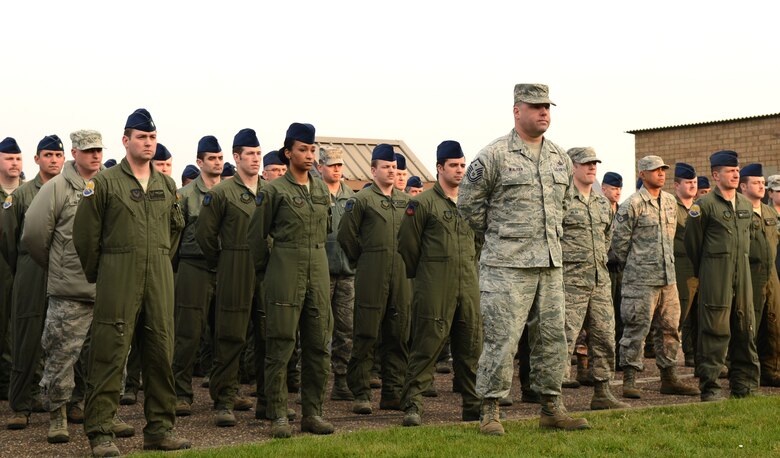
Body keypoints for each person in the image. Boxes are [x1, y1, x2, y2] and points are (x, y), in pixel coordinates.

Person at [458, 83, 589, 435]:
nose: (543, 112)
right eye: (535, 107)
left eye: (547, 106)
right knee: (502, 339)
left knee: (552, 339)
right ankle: (490, 411)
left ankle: (551, 406)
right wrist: (502, 239)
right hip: (506, 267)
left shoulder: (560, 157)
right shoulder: (494, 155)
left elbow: (562, 205)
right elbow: (469, 207)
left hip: (549, 264)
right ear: (517, 111)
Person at [72, 108, 190, 455]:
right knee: (109, 355)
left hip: (158, 279)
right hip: (118, 277)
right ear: (126, 141)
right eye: (142, 137)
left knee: (159, 355)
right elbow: (85, 236)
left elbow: (175, 230)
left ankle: (159, 429)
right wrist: (105, 273)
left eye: (152, 137)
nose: (149, 143)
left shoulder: (166, 184)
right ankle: (101, 434)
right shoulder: (105, 183)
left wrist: (158, 263)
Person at [23, 130, 136, 444]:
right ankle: (58, 416)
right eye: (88, 151)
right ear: (74, 152)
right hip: (70, 291)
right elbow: (33, 235)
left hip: (109, 288)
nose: (95, 156)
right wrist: (57, 267)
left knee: (112, 357)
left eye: (98, 150)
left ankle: (104, 414)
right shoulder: (57, 187)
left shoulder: (112, 184)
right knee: (61, 355)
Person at [249, 122, 334, 438]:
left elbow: (326, 230)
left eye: (312, 149)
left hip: (318, 267)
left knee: (317, 345)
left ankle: (313, 413)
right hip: (285, 266)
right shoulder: (273, 190)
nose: (309, 155)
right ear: (288, 152)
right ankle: (278, 414)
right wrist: (267, 273)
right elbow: (257, 237)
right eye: (303, 149)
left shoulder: (321, 188)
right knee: (281, 345)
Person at [398, 140, 482, 426]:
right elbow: (408, 246)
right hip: (435, 284)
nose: (460, 171)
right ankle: (413, 405)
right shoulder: (422, 203)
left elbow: (478, 242)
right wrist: (427, 273)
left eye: (462, 165)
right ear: (439, 168)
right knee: (427, 345)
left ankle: (472, 404)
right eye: (453, 166)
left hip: (468, 283)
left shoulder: (472, 204)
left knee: (470, 346)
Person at [612, 155, 700, 399]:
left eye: (663, 170)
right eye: (654, 170)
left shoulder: (671, 202)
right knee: (636, 330)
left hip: (667, 278)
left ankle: (669, 377)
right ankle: (629, 379)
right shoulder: (633, 204)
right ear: (642, 174)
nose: (660, 173)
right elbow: (618, 244)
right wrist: (636, 266)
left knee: (671, 329)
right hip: (640, 280)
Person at [338, 143, 412, 416]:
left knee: (399, 333)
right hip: (371, 272)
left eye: (394, 167)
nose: (391, 172)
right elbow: (346, 236)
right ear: (373, 170)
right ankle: (361, 392)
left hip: (401, 275)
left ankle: (393, 392)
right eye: (386, 167)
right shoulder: (361, 200)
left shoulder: (406, 201)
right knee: (366, 333)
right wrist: (364, 260)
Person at [195, 129, 262, 427]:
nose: (256, 159)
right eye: (250, 154)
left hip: (267, 267)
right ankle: (224, 399)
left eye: (259, 154)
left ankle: (270, 401)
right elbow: (205, 235)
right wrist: (222, 262)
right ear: (236, 158)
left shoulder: (271, 190)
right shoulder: (221, 193)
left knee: (268, 334)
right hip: (234, 263)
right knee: (231, 335)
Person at [685, 150, 760, 400]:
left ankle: (745, 386)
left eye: (737, 170)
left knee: (745, 329)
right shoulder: (703, 206)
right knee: (714, 332)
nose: (736, 174)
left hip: (743, 278)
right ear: (716, 175)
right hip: (716, 277)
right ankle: (712, 388)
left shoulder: (747, 205)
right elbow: (692, 245)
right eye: (730, 170)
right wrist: (709, 270)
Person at [1, 135, 65, 430]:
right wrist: (27, 265)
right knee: (26, 337)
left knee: (61, 339)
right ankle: (20, 405)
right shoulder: (23, 194)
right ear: (37, 159)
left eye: (58, 155)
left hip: (63, 268)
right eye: (48, 155)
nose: (54, 160)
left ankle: (55, 399)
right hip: (31, 268)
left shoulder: (71, 190)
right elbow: (9, 240)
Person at [560, 147, 628, 410]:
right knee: (563, 339)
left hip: (599, 280)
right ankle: (555, 399)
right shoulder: (562, 200)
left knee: (604, 337)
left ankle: (602, 392)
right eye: (586, 163)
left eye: (594, 163)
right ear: (572, 166)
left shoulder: (601, 203)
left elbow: (607, 237)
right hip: (570, 281)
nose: (592, 167)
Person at [172, 135, 223, 417]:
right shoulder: (186, 195)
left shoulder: (229, 190)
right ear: (199, 162)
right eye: (211, 159)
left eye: (219, 158)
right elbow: (174, 235)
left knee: (226, 333)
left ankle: (224, 391)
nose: (217, 163)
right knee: (188, 334)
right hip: (194, 267)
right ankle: (181, 392)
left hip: (225, 266)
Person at [316, 146, 356, 401]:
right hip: (320, 272)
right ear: (320, 167)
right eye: (331, 165)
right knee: (316, 330)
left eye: (339, 165)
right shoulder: (314, 193)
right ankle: (310, 384)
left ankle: (341, 381)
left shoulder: (352, 197)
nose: (336, 169)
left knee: (346, 329)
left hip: (346, 273)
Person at [738, 164, 779, 387]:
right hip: (749, 273)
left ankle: (771, 370)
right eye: (756, 182)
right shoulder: (738, 212)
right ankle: (745, 373)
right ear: (743, 186)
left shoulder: (770, 212)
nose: (762, 186)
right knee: (748, 324)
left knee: (774, 322)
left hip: (771, 273)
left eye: (763, 183)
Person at [0, 137, 23, 401]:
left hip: (19, 267)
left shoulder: (25, 194)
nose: (14, 163)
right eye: (9, 158)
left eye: (17, 158)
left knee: (16, 327)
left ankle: (9, 382)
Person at [672, 163, 699, 367]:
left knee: (698, 314)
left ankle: (695, 354)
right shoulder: (671, 207)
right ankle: (672, 358)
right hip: (680, 267)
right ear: (676, 185)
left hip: (699, 267)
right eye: (688, 182)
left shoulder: (700, 207)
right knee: (681, 313)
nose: (692, 186)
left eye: (694, 182)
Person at [601, 171, 624, 370]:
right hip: (605, 269)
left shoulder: (623, 211)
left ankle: (618, 357)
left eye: (619, 189)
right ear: (604, 189)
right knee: (605, 316)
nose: (617, 192)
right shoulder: (599, 209)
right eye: (614, 188)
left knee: (620, 314)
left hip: (621, 269)